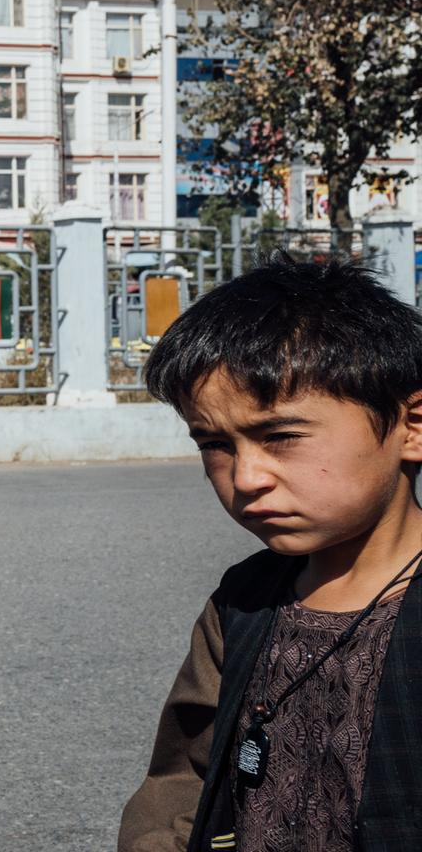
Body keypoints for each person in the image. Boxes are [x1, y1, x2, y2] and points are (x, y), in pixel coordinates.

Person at [118, 258, 422, 851]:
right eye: (215, 444)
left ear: (411, 424)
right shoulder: (243, 604)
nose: (247, 476)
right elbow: (182, 784)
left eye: (280, 436)